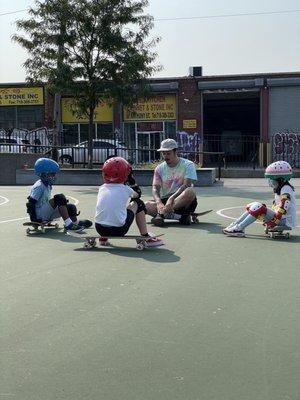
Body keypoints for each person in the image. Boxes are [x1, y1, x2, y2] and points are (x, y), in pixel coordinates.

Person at [95, 156, 164, 247]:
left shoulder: (102, 188)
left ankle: (103, 238)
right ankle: (146, 236)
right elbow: (137, 194)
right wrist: (131, 179)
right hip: (118, 230)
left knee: (110, 207)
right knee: (138, 203)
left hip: (100, 229)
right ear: (125, 174)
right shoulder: (126, 189)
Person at [223, 160, 297, 237]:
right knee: (252, 206)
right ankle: (235, 225)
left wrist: (275, 220)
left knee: (257, 207)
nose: (270, 182)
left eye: (272, 179)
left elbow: (285, 204)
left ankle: (239, 228)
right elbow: (277, 205)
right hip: (281, 218)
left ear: (280, 179)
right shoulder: (280, 188)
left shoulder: (286, 188)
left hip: (284, 221)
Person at [26, 158, 92, 231]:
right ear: (44, 173)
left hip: (47, 213)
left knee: (71, 207)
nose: (54, 177)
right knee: (59, 197)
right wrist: (34, 220)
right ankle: (68, 224)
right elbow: (30, 203)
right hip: (39, 215)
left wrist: (62, 203)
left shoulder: (47, 185)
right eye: (52, 174)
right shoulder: (39, 186)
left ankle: (75, 223)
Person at [145, 138, 198, 226]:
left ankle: (161, 215)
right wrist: (158, 202)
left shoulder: (188, 164)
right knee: (145, 205)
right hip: (165, 200)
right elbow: (155, 187)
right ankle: (180, 217)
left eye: (168, 153)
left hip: (183, 202)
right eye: (163, 153)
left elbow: (186, 185)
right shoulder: (159, 168)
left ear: (176, 151)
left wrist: (171, 199)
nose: (165, 156)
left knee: (190, 191)